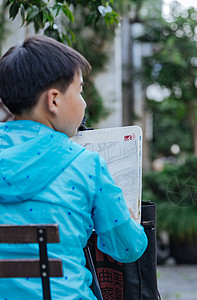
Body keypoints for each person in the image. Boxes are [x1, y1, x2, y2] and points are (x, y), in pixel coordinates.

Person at [0, 35, 148, 299]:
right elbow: (128, 248)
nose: (84, 103)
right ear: (53, 100)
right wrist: (128, 218)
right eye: (80, 91)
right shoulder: (86, 165)